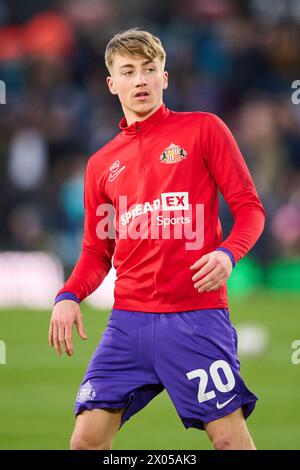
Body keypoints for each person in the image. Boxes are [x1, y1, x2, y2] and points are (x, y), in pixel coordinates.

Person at [49, 28, 266, 451]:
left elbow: (250, 208)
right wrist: (69, 294)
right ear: (112, 84)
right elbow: (97, 251)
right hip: (127, 323)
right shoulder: (101, 164)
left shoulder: (204, 130)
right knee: (85, 442)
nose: (141, 80)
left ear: (165, 77)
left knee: (229, 442)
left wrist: (228, 253)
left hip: (196, 317)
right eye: (128, 71)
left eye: (150, 70)